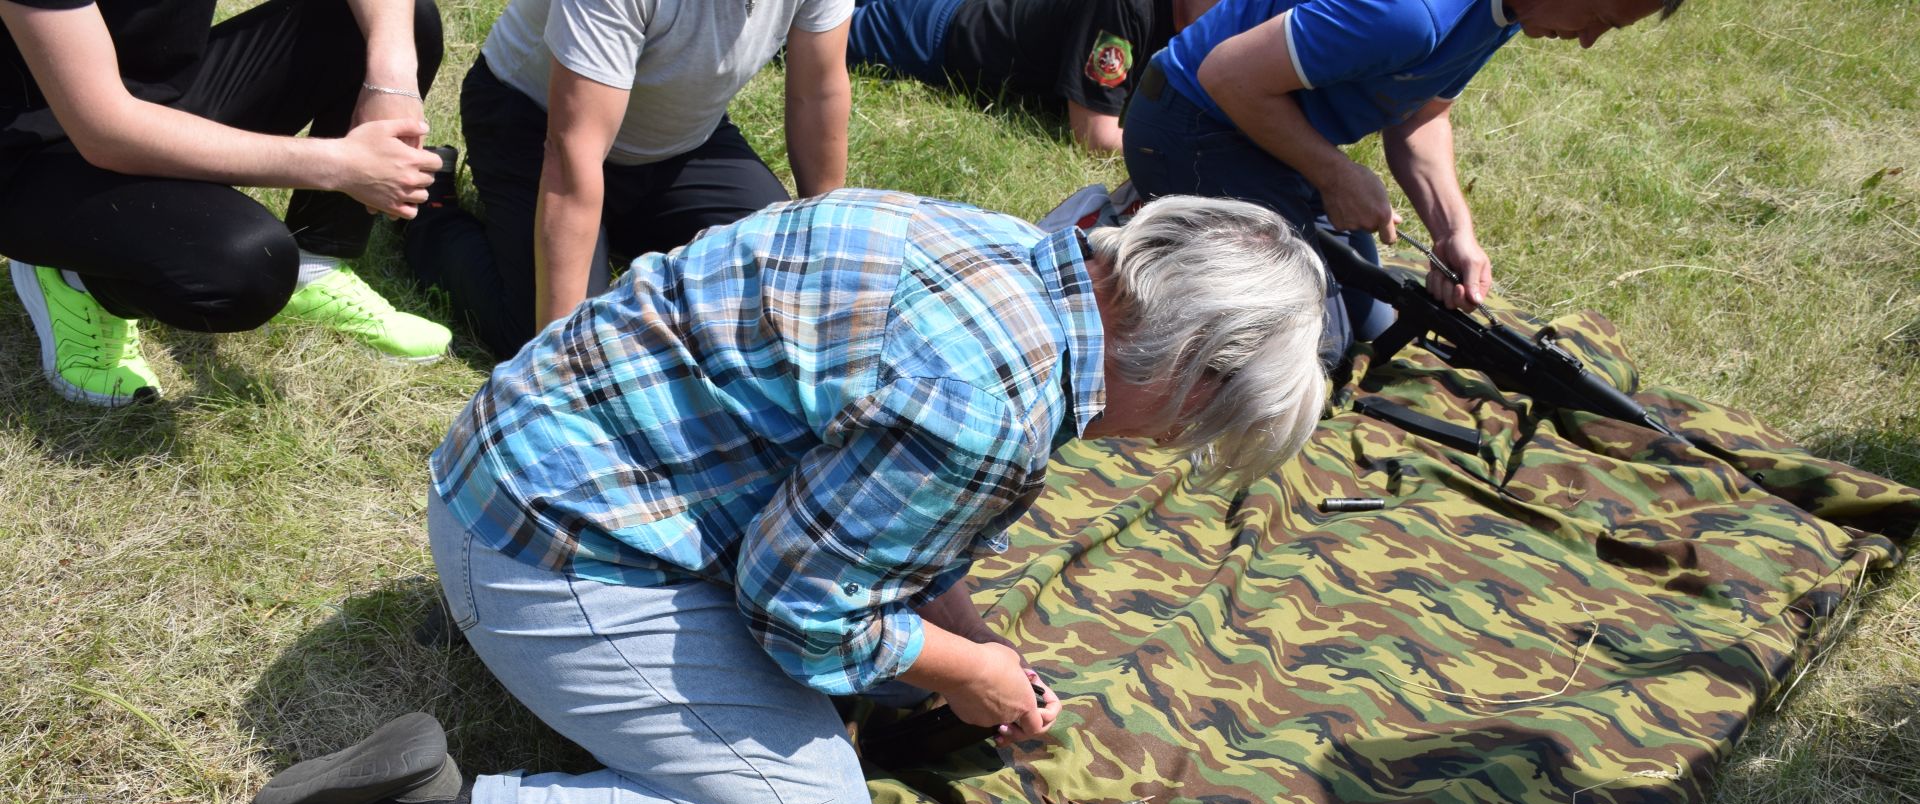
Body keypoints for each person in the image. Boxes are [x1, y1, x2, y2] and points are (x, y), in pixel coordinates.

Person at [253, 188, 1327, 804]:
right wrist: (972, 669)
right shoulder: (989, 402)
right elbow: (798, 609)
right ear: (1193, 367)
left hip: (514, 470)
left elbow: (862, 501)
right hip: (549, 553)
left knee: (901, 679)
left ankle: (524, 654)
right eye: (1198, 429)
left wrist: (970, 643)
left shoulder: (999, 251)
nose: (1168, 448)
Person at [1123, 0, 1681, 356]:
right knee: (1304, 348)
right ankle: (1138, 239)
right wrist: (1335, 174)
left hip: (1271, 139)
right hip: (1187, 122)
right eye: (1601, 20)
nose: (1588, 42)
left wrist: (1453, 229)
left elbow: (1422, 116)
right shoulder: (1409, 14)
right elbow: (1225, 74)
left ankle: (1200, 236)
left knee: (1374, 320)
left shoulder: (1507, 12)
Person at [0, 0, 452, 409]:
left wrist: (391, 82)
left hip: (154, 95)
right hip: (30, 152)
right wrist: (341, 165)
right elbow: (105, 133)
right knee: (244, 268)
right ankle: (77, 276)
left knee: (399, 22)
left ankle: (315, 263)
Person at [403, 0, 853, 363]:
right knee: (540, 334)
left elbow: (817, 92)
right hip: (533, 123)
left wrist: (825, 248)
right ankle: (429, 205)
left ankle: (609, 231)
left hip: (682, 144)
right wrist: (558, 368)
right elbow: (570, 153)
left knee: (773, 273)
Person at [845, 0, 1210, 153]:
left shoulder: (1201, 31)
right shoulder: (1126, 8)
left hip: (965, 13)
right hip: (941, 36)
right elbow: (1094, 135)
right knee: (804, 32)